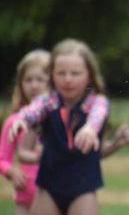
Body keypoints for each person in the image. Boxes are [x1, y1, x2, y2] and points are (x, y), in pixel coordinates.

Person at [9, 39, 110, 215]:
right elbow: (33, 110)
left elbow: (98, 116)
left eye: (75, 73)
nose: (68, 79)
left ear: (89, 75)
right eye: (61, 73)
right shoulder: (48, 101)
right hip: (49, 186)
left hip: (82, 187)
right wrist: (23, 119)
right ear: (52, 75)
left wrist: (90, 129)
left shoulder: (97, 103)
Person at [0, 49, 50, 215]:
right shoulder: (14, 122)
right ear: (20, 84)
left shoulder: (58, 120)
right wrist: (11, 171)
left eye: (40, 80)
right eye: (28, 80)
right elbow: (2, 159)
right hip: (25, 198)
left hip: (55, 195)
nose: (34, 85)